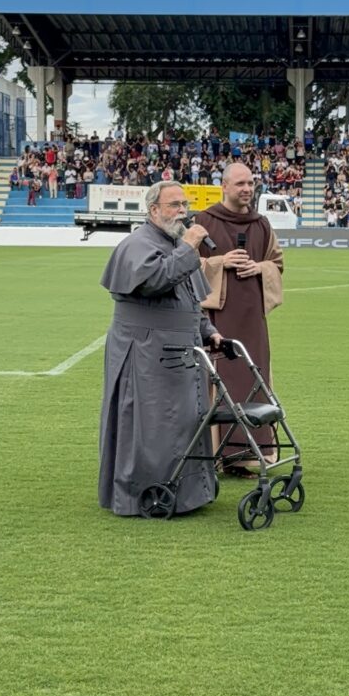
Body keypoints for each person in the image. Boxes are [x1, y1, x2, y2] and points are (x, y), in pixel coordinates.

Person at [99, 181, 222, 517]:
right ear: (153, 210)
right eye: (174, 205)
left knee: (185, 422)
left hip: (180, 353)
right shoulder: (138, 244)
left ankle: (188, 492)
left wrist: (208, 331)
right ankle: (145, 493)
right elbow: (155, 281)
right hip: (146, 353)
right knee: (150, 426)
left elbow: (190, 301)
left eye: (185, 204)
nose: (182, 211)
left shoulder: (177, 245)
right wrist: (190, 247)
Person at [194, 163, 283, 474]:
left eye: (251, 183)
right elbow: (184, 262)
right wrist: (220, 262)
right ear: (224, 187)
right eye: (240, 183)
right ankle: (218, 453)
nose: (247, 189)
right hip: (217, 317)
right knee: (219, 380)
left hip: (252, 319)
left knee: (253, 378)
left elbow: (276, 262)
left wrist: (260, 268)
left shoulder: (262, 224)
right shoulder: (203, 221)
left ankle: (251, 453)